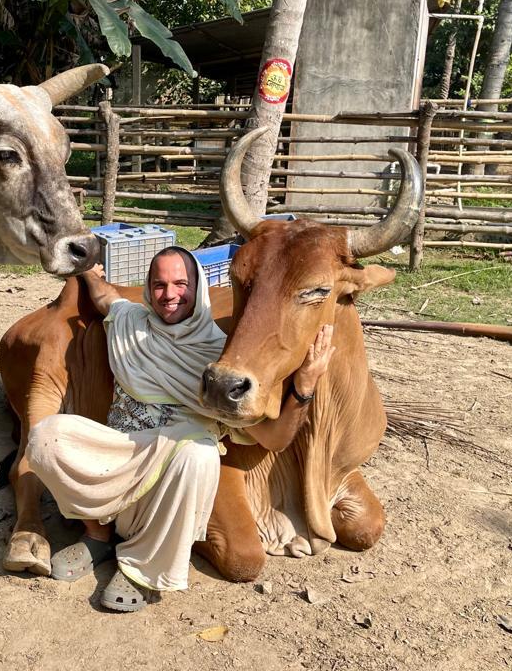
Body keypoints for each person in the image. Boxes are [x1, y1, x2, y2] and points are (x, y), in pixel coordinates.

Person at [25, 247, 334, 612]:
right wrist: (91, 272)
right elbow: (106, 296)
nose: (169, 295)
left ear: (198, 286)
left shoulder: (222, 356)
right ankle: (97, 533)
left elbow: (275, 438)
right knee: (46, 438)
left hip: (178, 475)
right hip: (123, 454)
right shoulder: (131, 322)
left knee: (199, 454)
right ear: (148, 289)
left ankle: (143, 569)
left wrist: (305, 386)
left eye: (180, 284)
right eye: (159, 285)